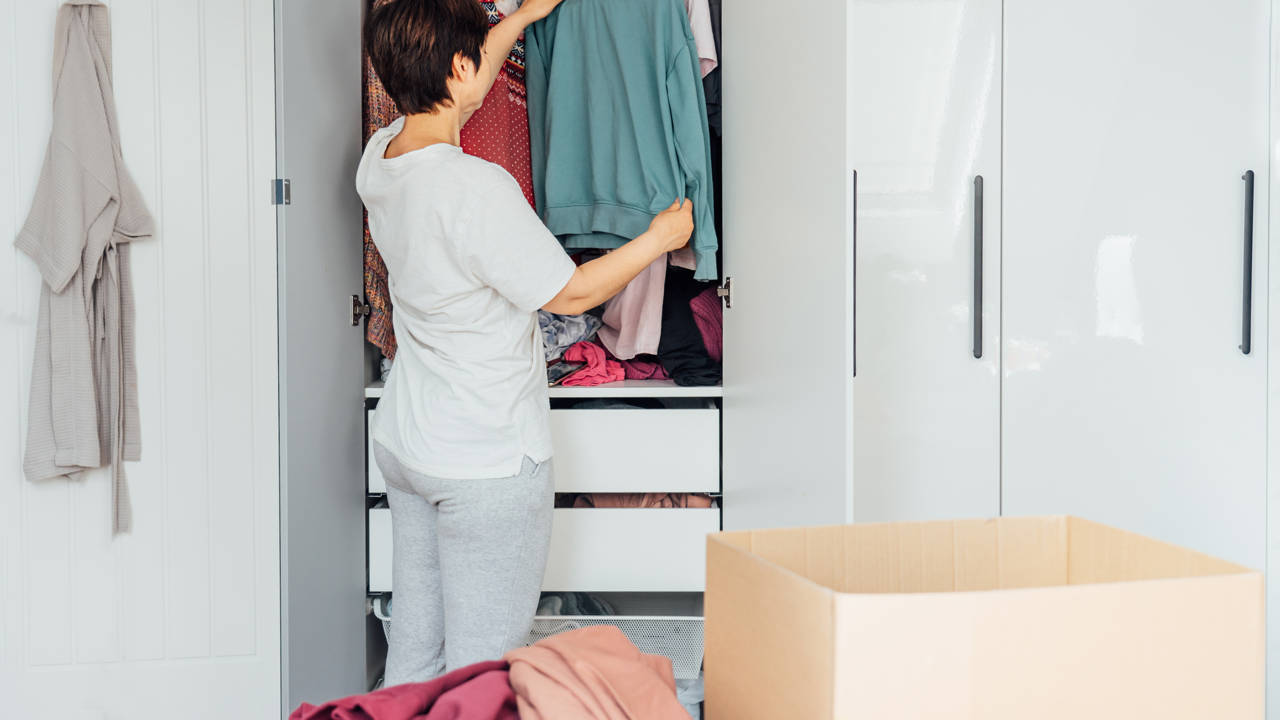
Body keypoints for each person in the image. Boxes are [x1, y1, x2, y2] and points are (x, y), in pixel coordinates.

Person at [358, 0, 694, 686]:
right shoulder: (477, 189)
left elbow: (461, 89)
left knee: (416, 661)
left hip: (409, 443)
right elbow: (568, 294)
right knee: (481, 676)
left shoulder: (382, 158)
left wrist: (519, 19)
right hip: (485, 459)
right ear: (458, 65)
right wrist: (657, 239)